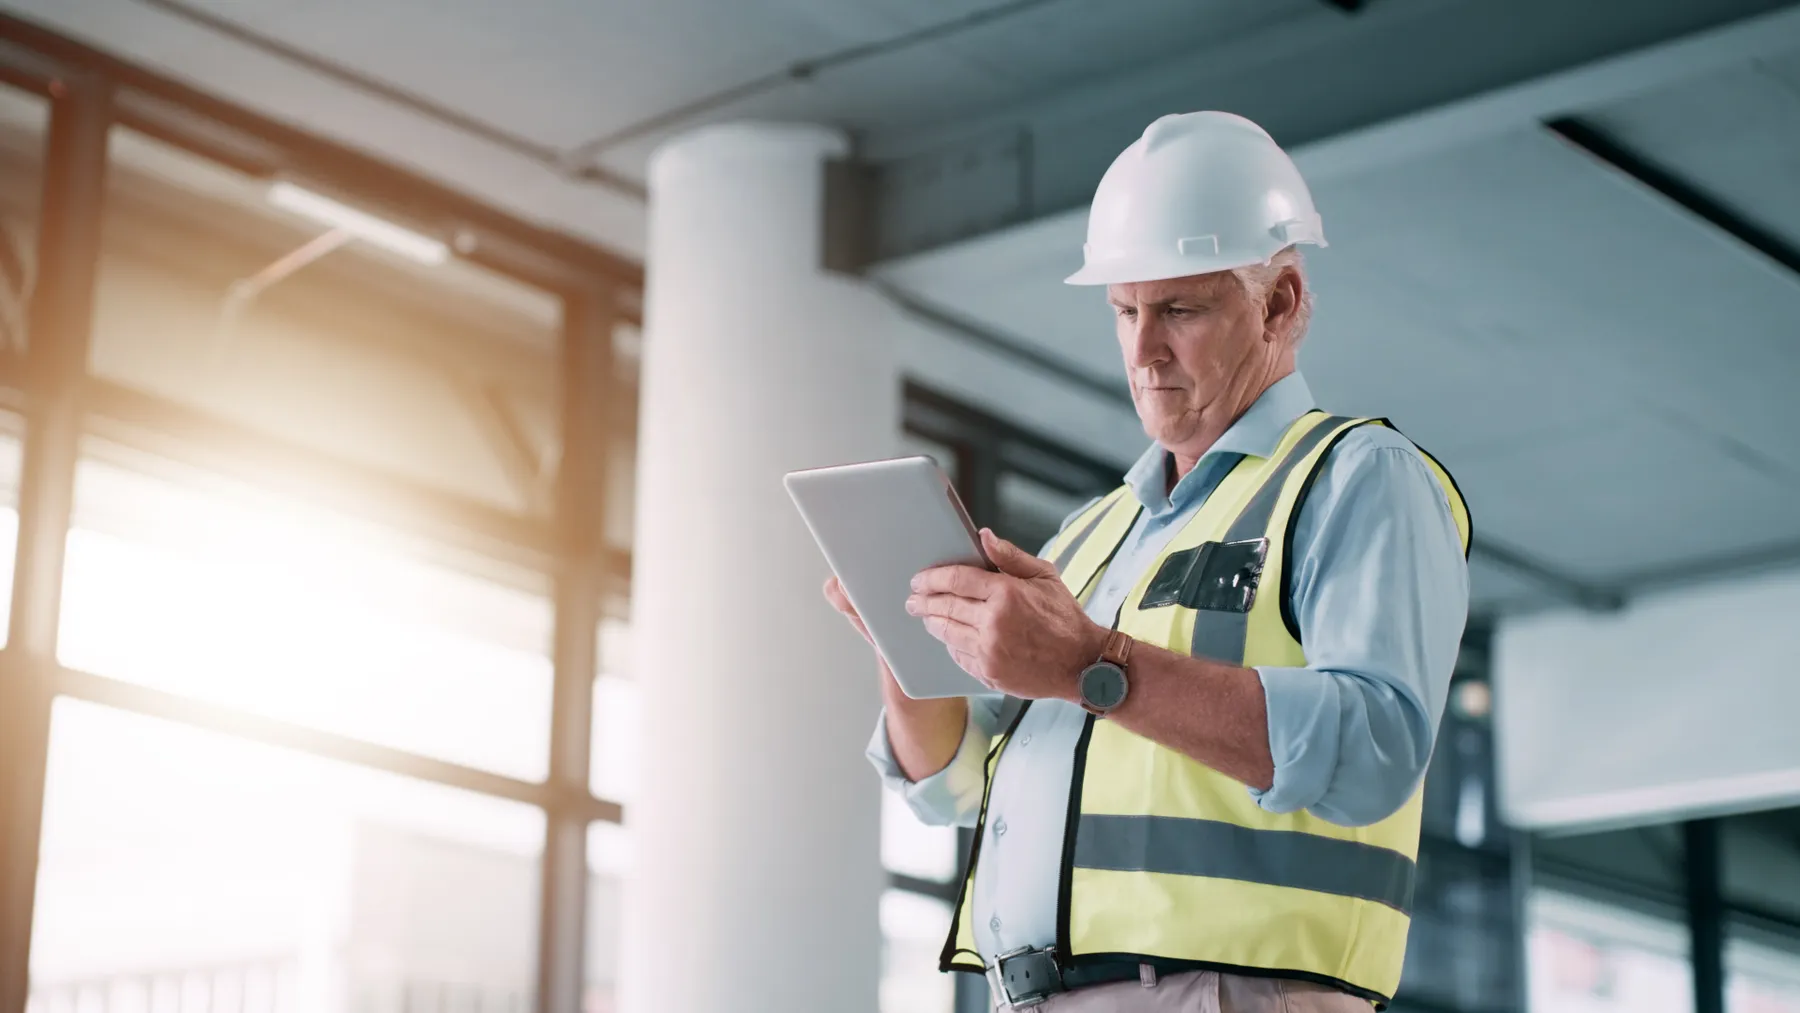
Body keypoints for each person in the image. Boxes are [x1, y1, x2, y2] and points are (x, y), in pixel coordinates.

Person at [825, 110, 1471, 1011]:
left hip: (1229, 993)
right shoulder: (1093, 537)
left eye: (1178, 309)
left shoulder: (1357, 479)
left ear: (1279, 303)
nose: (1141, 348)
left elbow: (1373, 748)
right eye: (1124, 309)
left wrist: (1094, 663)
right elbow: (956, 790)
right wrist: (911, 644)